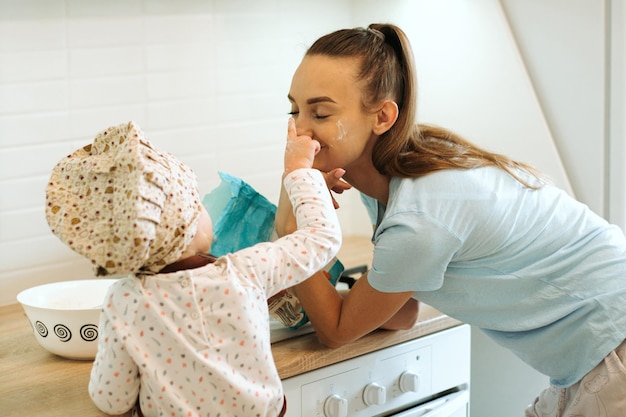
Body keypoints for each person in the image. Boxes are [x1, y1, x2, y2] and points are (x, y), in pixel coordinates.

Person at [275, 23, 626, 416]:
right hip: (598, 348)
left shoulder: (418, 214)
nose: (299, 129)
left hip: (615, 346)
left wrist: (290, 223)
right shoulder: (400, 173)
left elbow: (337, 331)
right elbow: (402, 311)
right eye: (294, 109)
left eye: (320, 112)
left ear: (383, 117)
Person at [45, 120, 341, 417]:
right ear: (185, 226)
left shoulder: (125, 301)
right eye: (197, 204)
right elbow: (321, 238)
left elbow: (113, 399)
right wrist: (299, 168)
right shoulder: (246, 271)